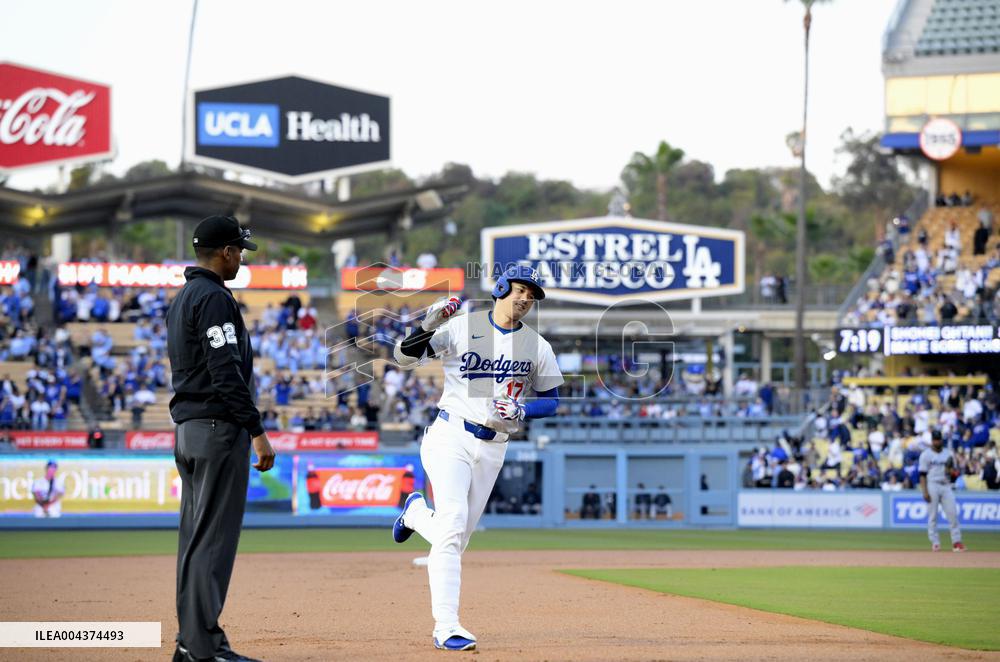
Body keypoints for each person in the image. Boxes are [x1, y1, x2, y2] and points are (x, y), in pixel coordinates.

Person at [390, 265, 563, 651]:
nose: (525, 298)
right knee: (451, 527)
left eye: (532, 295)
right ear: (501, 287)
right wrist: (426, 325)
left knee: (457, 540)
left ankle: (416, 514)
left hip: (494, 446)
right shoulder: (464, 327)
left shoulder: (537, 346)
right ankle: (446, 627)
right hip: (451, 434)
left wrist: (524, 412)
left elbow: (552, 400)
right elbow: (402, 358)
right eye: (520, 289)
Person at [167, 215, 275, 662]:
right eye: (239, 251)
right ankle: (201, 648)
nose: (241, 259)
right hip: (216, 429)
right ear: (225, 251)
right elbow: (225, 370)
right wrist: (257, 431)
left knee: (195, 540)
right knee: (212, 541)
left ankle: (193, 642)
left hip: (191, 430)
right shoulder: (212, 297)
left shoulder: (183, 296)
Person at [919, 430, 965, 552]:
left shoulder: (948, 453)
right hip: (932, 484)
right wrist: (924, 491)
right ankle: (935, 542)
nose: (936, 441)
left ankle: (956, 542)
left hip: (946, 485)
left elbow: (954, 474)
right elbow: (922, 475)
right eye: (935, 439)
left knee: (953, 514)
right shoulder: (926, 455)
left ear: (941, 440)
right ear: (932, 440)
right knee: (932, 516)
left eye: (938, 439)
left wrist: (951, 471)